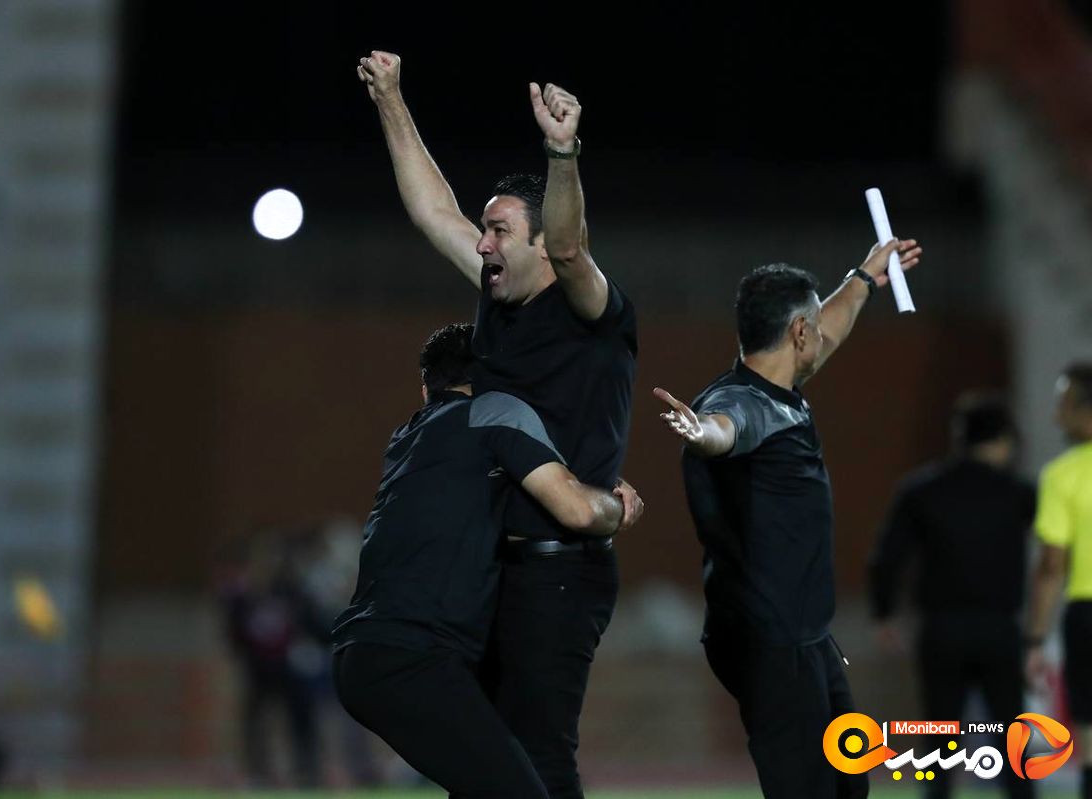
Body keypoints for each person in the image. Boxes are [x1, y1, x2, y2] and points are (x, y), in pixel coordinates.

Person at [358, 51, 638, 798]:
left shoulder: (590, 310)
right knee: (485, 765)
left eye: (500, 230)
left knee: (538, 760)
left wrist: (562, 153)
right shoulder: (496, 296)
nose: (482, 243)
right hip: (496, 567)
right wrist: (391, 98)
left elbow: (572, 246)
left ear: (541, 242)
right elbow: (431, 213)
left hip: (558, 565)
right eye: (483, 230)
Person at [654, 240, 923, 799]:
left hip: (803, 635)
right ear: (800, 332)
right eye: (814, 326)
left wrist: (863, 278)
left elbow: (832, 330)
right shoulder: (742, 404)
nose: (823, 334)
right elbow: (725, 429)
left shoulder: (778, 392)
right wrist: (701, 434)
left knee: (848, 783)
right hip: (769, 638)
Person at [331, 323, 638, 798]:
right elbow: (577, 510)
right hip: (414, 658)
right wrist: (619, 507)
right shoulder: (497, 410)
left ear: (426, 386)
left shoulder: (409, 435)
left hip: (365, 651)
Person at [868, 393, 1034, 799]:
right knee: (1011, 740)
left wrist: (884, 613)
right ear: (1002, 439)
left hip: (941, 629)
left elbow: (886, 558)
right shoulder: (1018, 493)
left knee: (940, 743)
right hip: (999, 628)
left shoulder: (922, 491)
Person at [1023, 362, 1092, 799]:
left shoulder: (1061, 476)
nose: (1055, 416)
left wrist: (1034, 640)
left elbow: (1051, 567)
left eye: (1063, 405)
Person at [220, 531, 330, 787]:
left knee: (301, 719)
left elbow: (312, 623)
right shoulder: (244, 596)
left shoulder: (292, 592)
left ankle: (307, 771)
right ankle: (258, 772)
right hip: (259, 669)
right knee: (256, 721)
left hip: (290, 668)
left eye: (275, 558)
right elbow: (235, 632)